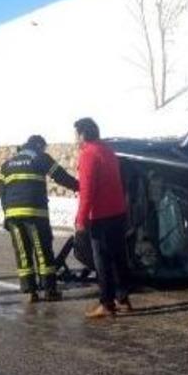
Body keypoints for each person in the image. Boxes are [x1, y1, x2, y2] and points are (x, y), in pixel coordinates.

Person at [0, 135, 79, 302]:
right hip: (34, 213)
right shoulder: (40, 157)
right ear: (38, 145)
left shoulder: (7, 164)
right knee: (43, 251)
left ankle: (30, 292)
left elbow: (2, 193)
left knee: (23, 253)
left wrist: (7, 215)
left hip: (13, 215)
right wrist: (79, 186)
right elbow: (60, 176)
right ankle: (50, 291)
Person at [73, 117, 133, 318]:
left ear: (82, 134)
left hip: (100, 215)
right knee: (119, 257)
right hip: (117, 211)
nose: (75, 139)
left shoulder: (88, 154)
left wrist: (81, 219)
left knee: (102, 261)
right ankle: (123, 298)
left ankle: (107, 303)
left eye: (76, 134)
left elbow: (87, 191)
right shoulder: (108, 151)